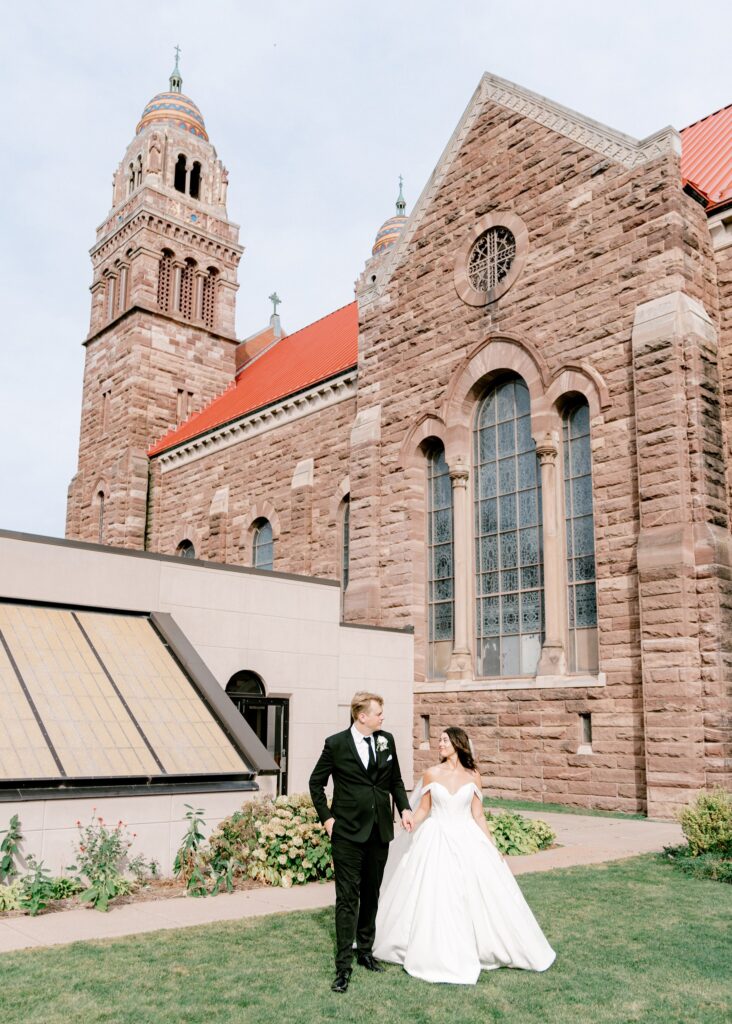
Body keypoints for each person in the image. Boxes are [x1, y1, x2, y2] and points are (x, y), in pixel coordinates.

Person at [373, 726, 556, 985]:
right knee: (433, 892)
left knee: (476, 893)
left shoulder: (473, 776)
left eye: (444, 740)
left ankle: (482, 946)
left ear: (458, 744)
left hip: (466, 837)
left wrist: (492, 846)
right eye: (439, 739)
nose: (439, 743)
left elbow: (478, 814)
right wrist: (410, 820)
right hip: (435, 838)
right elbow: (424, 809)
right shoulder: (431, 774)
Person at [309, 691, 413, 993]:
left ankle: (365, 951)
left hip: (379, 830)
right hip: (347, 834)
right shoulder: (336, 744)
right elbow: (316, 782)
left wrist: (404, 808)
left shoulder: (386, 740)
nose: (383, 717)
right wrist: (327, 819)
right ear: (361, 716)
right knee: (347, 898)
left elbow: (395, 780)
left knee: (371, 894)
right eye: (378, 713)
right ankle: (343, 966)